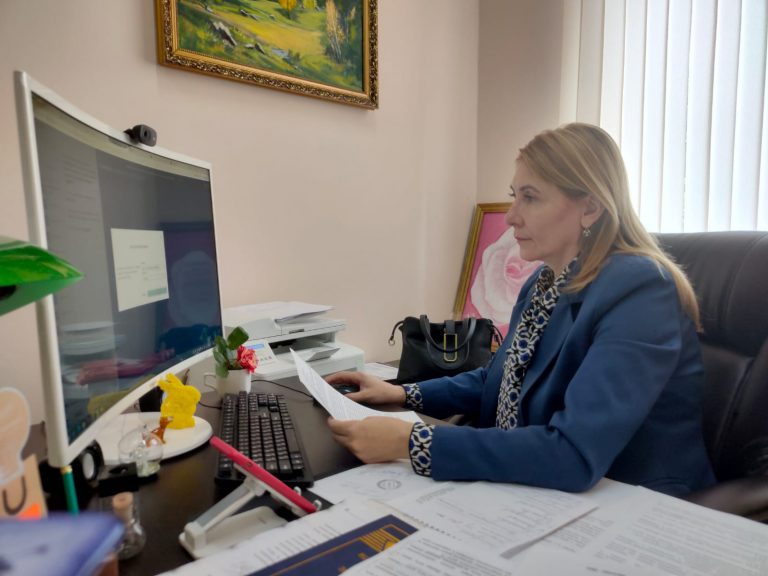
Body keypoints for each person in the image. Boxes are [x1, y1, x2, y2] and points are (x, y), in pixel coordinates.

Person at [327, 123, 716, 496]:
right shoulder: (542, 284)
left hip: (633, 500)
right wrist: (401, 393)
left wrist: (412, 442)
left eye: (530, 197)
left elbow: (574, 453)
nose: (511, 216)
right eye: (515, 196)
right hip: (541, 486)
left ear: (590, 208)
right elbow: (499, 380)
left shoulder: (640, 290)